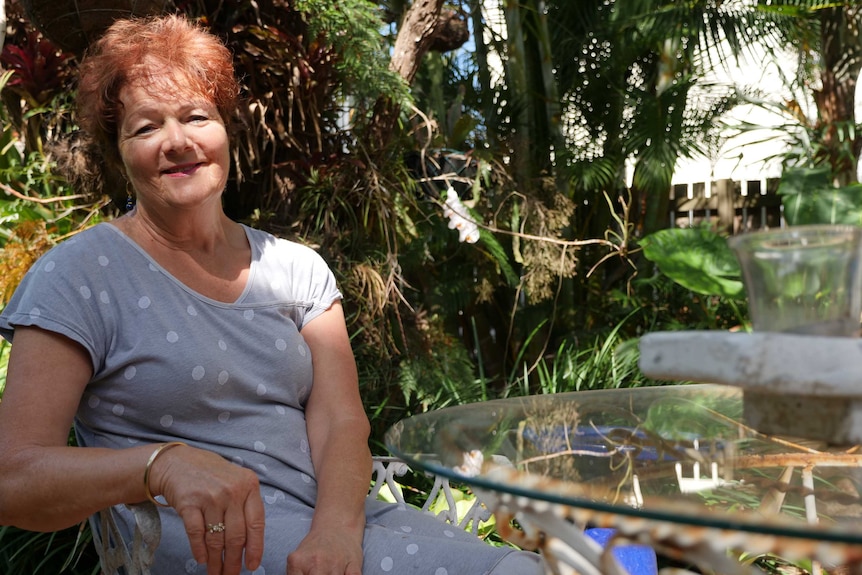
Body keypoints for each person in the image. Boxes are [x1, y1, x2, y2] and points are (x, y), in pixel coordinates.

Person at [0, 14, 546, 575]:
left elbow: (339, 419)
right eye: (145, 127)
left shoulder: (296, 269)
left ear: (226, 129)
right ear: (119, 151)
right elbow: (13, 480)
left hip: (337, 520)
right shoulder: (79, 276)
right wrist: (160, 465)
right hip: (220, 547)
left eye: (196, 116)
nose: (177, 141)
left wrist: (335, 531)